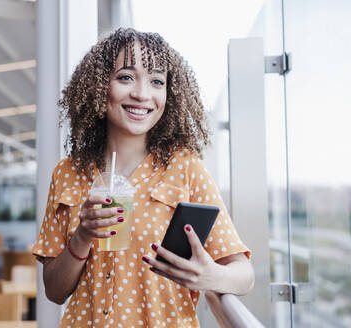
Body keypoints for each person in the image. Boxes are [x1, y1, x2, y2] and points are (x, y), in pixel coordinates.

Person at [32, 28, 254, 328]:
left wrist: (211, 276)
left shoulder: (185, 168)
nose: (141, 93)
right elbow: (54, 292)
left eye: (157, 81)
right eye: (126, 77)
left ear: (169, 94)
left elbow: (244, 274)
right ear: (100, 86)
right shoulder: (67, 173)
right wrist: (82, 236)